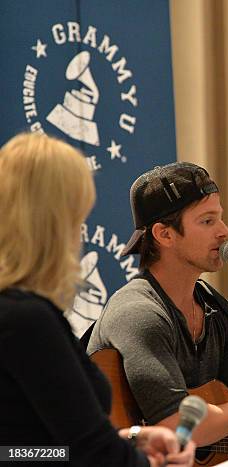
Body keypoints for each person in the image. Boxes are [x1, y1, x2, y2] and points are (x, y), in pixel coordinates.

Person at [0, 133, 195, 467]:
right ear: (54, 224)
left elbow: (21, 451)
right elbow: (90, 453)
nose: (80, 234)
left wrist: (129, 438)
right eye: (78, 218)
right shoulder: (27, 320)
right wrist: (149, 463)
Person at [87, 162, 228, 452]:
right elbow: (174, 426)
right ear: (165, 235)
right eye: (207, 221)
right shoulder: (138, 313)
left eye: (220, 218)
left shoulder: (213, 308)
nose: (224, 231)